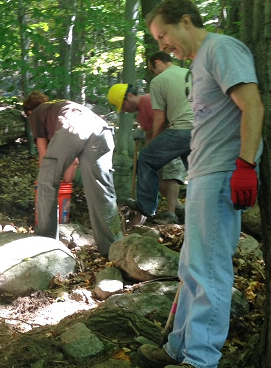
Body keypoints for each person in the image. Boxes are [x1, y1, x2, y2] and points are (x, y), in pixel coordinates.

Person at [138, 0, 263, 368]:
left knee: (209, 270)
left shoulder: (222, 49)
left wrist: (245, 165)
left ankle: (201, 360)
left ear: (187, 21)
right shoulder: (196, 65)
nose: (162, 46)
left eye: (164, 36)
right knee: (191, 268)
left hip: (223, 172)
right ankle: (178, 349)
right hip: (202, 172)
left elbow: (253, 105)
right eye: (158, 41)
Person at [24, 92, 123, 256]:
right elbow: (74, 161)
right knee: (102, 191)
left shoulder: (36, 113)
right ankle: (113, 248)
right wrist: (66, 184)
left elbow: (44, 156)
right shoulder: (60, 106)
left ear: (29, 111)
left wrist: (48, 177)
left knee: (46, 182)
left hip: (72, 127)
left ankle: (45, 244)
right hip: (102, 129)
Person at [108, 51, 193, 227]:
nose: (153, 72)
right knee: (196, 174)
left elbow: (160, 120)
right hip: (201, 129)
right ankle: (197, 214)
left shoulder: (157, 83)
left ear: (157, 63)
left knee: (147, 160)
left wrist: (148, 150)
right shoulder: (188, 73)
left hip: (181, 130)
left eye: (151, 68)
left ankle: (147, 208)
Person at [23, 91, 79, 183]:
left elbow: (44, 154)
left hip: (66, 127)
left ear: (30, 112)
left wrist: (42, 181)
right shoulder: (54, 108)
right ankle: (65, 190)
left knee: (70, 161)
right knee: (72, 161)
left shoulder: (35, 114)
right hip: (89, 122)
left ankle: (60, 191)